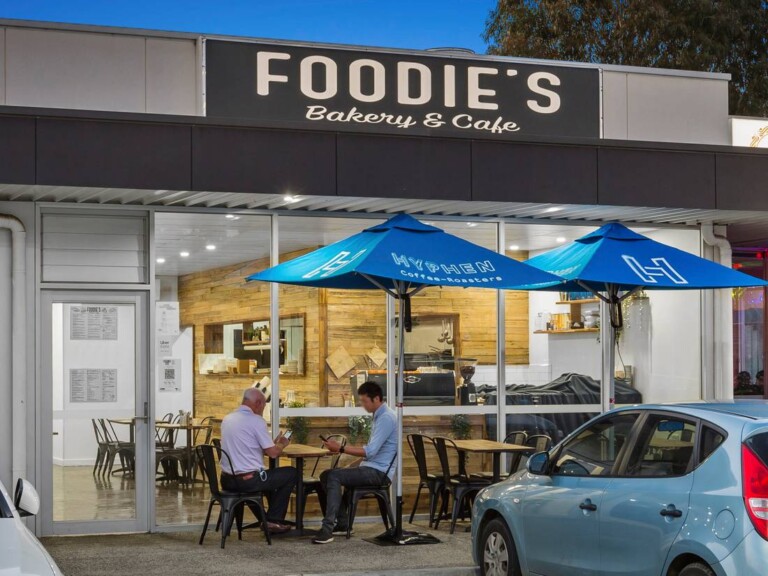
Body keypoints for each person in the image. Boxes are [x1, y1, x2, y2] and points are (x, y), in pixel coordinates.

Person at [313, 381, 397, 544]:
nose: (363, 405)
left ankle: (327, 529)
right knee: (326, 475)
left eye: (365, 401)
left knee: (333, 476)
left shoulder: (386, 418)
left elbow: (370, 451)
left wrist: (340, 448)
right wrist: (352, 465)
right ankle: (343, 523)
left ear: (376, 399)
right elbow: (373, 452)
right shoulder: (379, 416)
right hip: (372, 468)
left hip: (379, 473)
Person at [219, 387, 297, 533]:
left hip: (227, 480)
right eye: (264, 406)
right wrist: (282, 443)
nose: (263, 409)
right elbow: (273, 454)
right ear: (258, 403)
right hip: (247, 481)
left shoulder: (228, 419)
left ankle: (265, 519)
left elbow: (246, 447)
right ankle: (273, 520)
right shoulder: (256, 421)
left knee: (269, 478)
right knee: (291, 473)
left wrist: (270, 444)